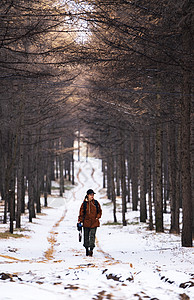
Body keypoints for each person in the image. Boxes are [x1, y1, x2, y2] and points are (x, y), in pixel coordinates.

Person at [78, 189, 102, 257]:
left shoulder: (96, 203)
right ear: (87, 195)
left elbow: (99, 211)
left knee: (92, 235)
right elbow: (81, 213)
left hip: (94, 222)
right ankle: (86, 249)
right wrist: (80, 221)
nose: (92, 196)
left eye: (93, 195)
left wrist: (97, 217)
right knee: (86, 237)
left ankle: (91, 249)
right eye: (91, 194)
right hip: (86, 222)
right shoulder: (84, 204)